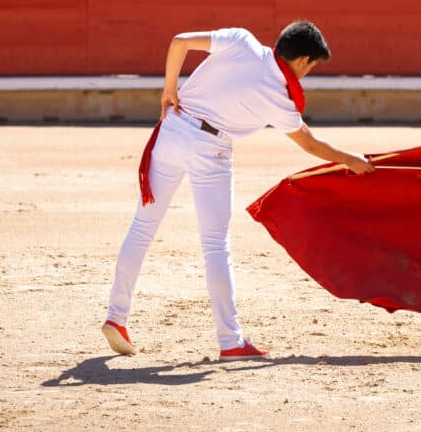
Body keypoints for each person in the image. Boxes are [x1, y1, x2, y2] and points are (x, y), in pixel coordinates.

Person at [102, 21, 373, 359]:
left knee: (142, 227)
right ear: (302, 61)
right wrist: (351, 160)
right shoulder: (280, 97)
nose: (309, 72)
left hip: (172, 127)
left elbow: (179, 42)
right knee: (215, 244)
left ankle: (117, 315)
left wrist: (169, 89)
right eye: (312, 66)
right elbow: (310, 144)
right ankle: (230, 340)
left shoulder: (242, 41)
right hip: (210, 149)